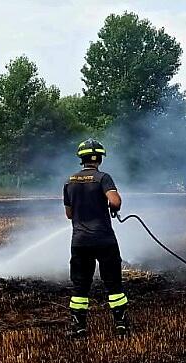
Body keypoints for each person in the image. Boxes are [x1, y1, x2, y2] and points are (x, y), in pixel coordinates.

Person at [64, 139, 129, 337]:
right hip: (104, 240)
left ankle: (79, 327)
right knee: (113, 283)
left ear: (81, 159)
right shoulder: (103, 178)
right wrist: (113, 208)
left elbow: (69, 214)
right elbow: (115, 200)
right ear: (100, 158)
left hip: (80, 242)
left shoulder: (69, 181)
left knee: (80, 285)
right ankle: (120, 326)